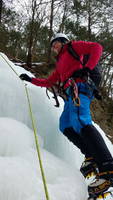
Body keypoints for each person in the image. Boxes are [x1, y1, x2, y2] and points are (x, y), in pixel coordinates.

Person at [20, 33, 113, 197]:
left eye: (56, 44)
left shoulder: (73, 47)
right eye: (52, 46)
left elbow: (97, 48)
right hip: (71, 93)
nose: (54, 48)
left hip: (81, 88)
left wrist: (86, 69)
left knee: (80, 121)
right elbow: (48, 82)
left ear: (63, 42)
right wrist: (30, 79)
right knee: (65, 125)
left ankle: (108, 166)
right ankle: (90, 155)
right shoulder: (60, 64)